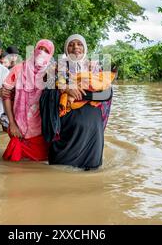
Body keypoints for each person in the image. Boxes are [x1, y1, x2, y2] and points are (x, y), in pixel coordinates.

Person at [46, 34, 114, 170]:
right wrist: (66, 89)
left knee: (92, 169)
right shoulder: (56, 67)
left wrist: (80, 93)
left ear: (84, 48)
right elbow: (47, 91)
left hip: (93, 124)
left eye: (79, 44)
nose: (75, 47)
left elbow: (106, 93)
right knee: (61, 168)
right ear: (66, 49)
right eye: (71, 44)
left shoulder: (94, 67)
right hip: (67, 121)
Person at [2, 39, 55, 162]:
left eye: (46, 51)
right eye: (40, 48)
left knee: (39, 167)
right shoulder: (19, 69)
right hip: (18, 129)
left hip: (41, 132)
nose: (42, 52)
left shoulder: (51, 73)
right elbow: (5, 95)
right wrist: (12, 123)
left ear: (51, 55)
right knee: (12, 165)